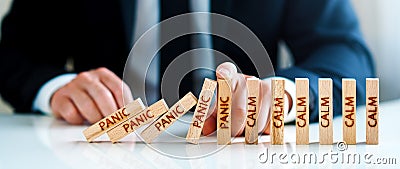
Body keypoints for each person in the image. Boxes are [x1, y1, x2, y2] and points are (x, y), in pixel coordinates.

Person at [0, 0, 374, 136]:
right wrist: (55, 89)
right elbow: (12, 55)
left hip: (242, 151)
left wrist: (285, 95)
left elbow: (347, 54)